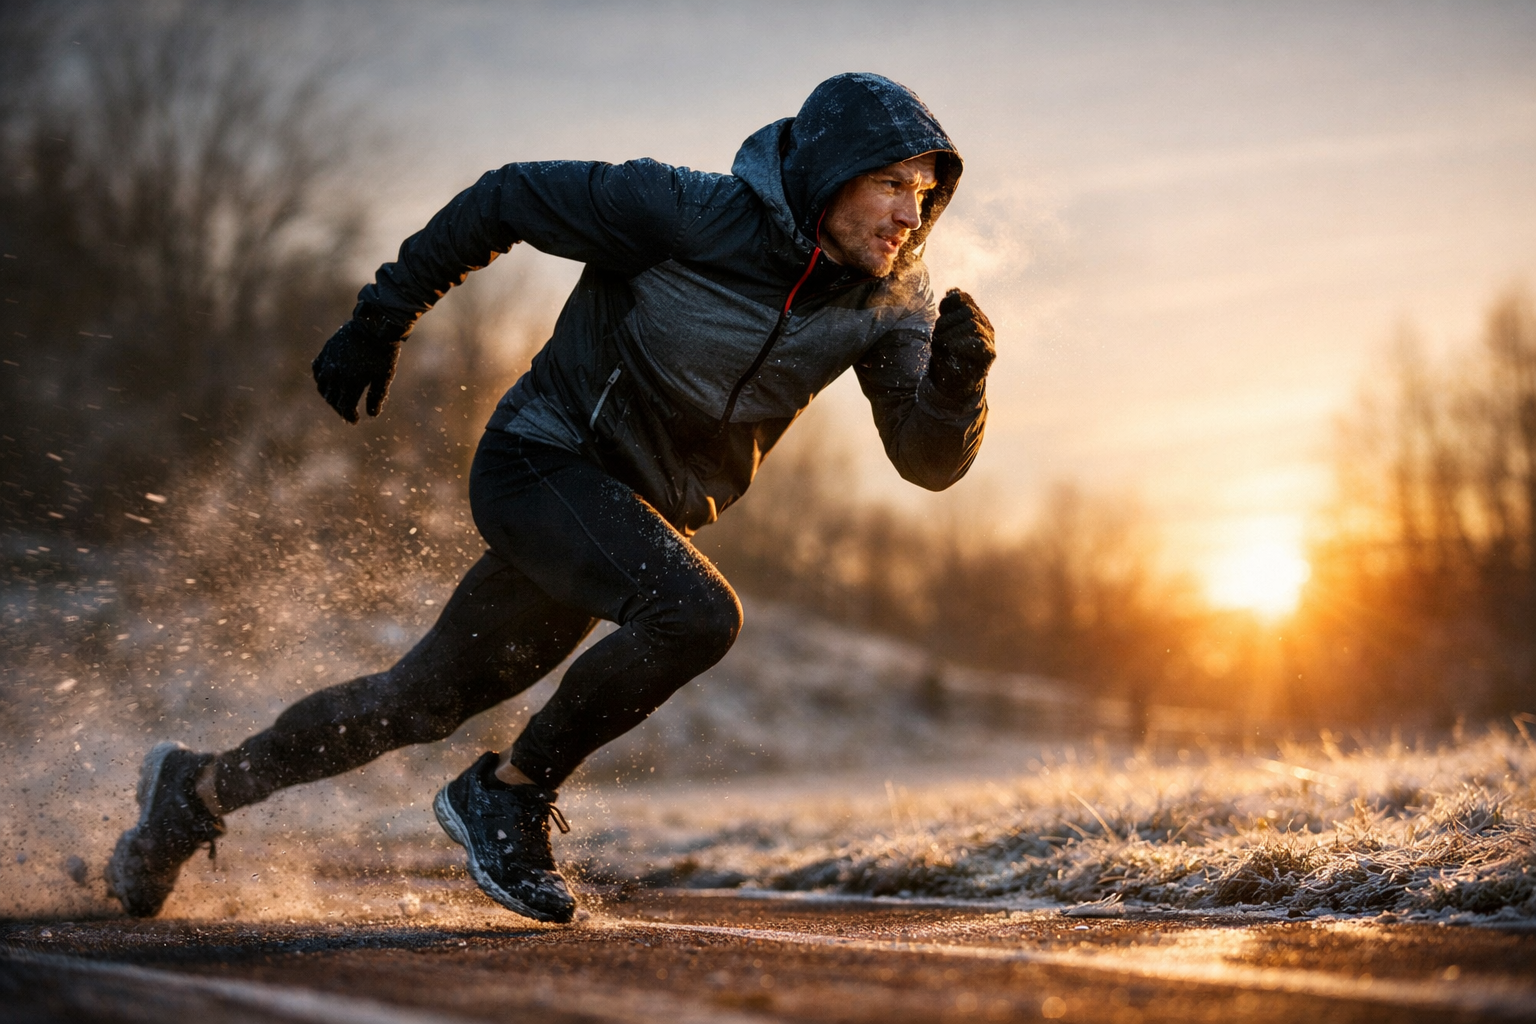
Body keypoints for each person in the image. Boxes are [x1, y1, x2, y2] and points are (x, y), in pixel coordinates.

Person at [105, 72, 994, 923]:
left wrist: (956, 383)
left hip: (620, 520)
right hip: (541, 461)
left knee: (417, 701)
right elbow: (507, 196)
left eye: (924, 192)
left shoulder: (891, 302)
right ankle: (506, 797)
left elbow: (927, 463)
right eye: (888, 183)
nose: (909, 213)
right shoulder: (684, 211)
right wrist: (383, 317)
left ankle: (196, 790)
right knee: (696, 614)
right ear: (826, 172)